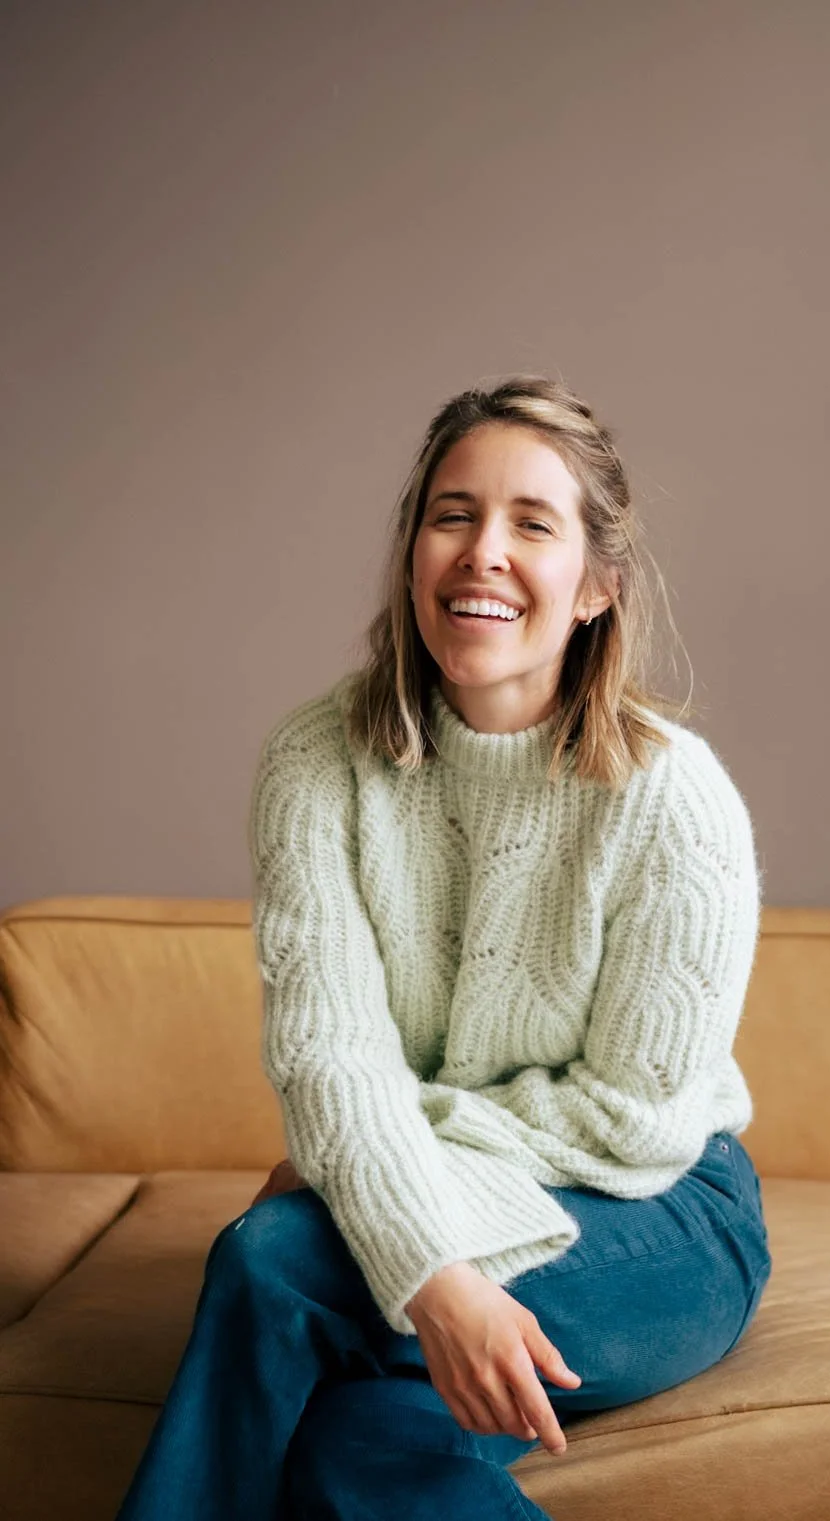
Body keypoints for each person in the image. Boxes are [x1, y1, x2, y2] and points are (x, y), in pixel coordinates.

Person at [114, 375, 771, 1521]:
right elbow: (330, 1063)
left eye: (533, 524)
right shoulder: (315, 765)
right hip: (451, 1189)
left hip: (656, 1218)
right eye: (452, 515)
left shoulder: (672, 797)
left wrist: (379, 1175)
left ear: (598, 585)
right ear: (412, 554)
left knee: (275, 1256)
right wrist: (437, 1278)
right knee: (356, 1453)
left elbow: (636, 1120)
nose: (483, 554)